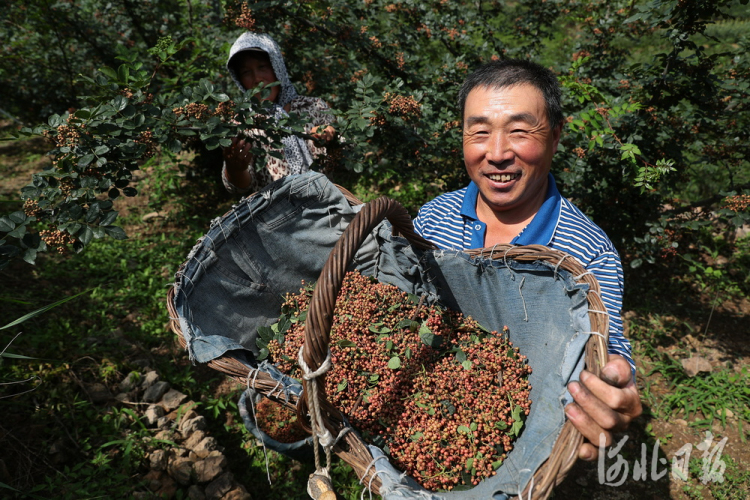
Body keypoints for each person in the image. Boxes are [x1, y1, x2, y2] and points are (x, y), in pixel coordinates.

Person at [413, 59, 642, 461]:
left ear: (555, 136)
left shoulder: (587, 250)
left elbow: (607, 346)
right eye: (480, 132)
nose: (497, 154)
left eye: (519, 132)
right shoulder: (435, 217)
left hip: (512, 436)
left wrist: (614, 387)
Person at [222, 32, 336, 194]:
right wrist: (235, 169)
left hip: (327, 206)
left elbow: (346, 157)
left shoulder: (313, 107)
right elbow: (240, 187)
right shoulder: (243, 123)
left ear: (277, 67)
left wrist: (332, 136)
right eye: (246, 72)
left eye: (262, 67)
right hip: (278, 214)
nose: (257, 79)